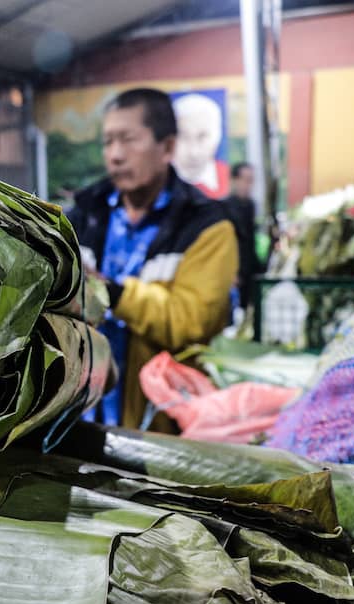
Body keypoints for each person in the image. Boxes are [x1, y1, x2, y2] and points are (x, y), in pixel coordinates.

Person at [69, 88, 237, 432]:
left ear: (168, 147)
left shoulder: (207, 227)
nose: (115, 155)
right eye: (108, 142)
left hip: (157, 424)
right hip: (78, 418)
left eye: (128, 140)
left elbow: (189, 320)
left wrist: (111, 293)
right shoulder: (85, 214)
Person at [172, 93, 229, 199]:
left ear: (217, 137)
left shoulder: (228, 175)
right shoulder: (158, 184)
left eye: (202, 137)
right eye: (184, 137)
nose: (193, 152)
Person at [223, 162, 261, 308]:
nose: (248, 185)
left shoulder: (251, 206)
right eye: (245, 180)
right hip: (233, 273)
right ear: (234, 180)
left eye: (251, 180)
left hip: (250, 270)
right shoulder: (224, 207)